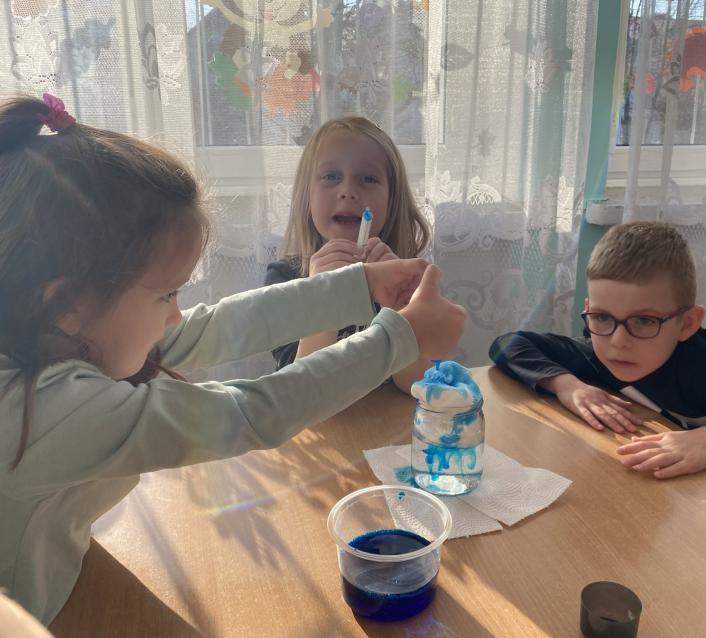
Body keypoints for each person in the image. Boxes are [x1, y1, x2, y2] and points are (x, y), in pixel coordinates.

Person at [0, 94, 466, 624]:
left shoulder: (53, 329)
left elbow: (215, 325)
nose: (176, 315)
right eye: (165, 295)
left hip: (65, 576)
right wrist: (399, 337)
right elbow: (249, 412)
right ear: (67, 304)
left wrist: (358, 287)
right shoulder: (41, 414)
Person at [490, 221, 706, 526]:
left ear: (687, 323)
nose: (618, 342)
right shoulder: (594, 350)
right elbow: (509, 344)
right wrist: (568, 386)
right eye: (602, 317)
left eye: (644, 321)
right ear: (589, 310)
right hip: (704, 500)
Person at [265, 115, 433, 394]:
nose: (348, 191)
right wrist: (323, 295)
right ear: (307, 195)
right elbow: (299, 393)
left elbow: (421, 384)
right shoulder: (284, 280)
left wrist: (397, 311)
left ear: (391, 199)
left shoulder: (404, 278)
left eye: (368, 179)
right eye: (331, 176)